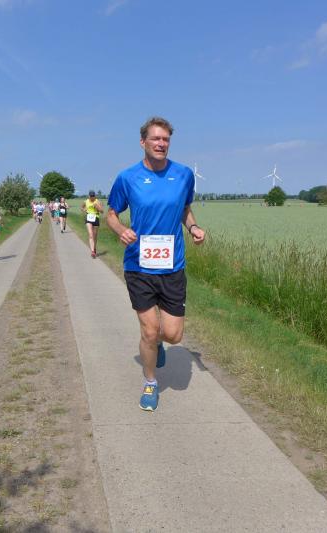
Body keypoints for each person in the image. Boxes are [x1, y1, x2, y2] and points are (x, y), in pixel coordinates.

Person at [106, 116, 206, 411]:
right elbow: (111, 214)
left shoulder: (184, 174)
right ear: (143, 142)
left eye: (166, 140)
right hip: (139, 265)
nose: (161, 144)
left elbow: (185, 208)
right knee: (149, 330)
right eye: (156, 139)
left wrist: (193, 227)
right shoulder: (127, 177)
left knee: (173, 334)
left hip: (173, 266)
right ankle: (150, 382)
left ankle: (158, 343)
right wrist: (120, 230)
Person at [81, 190, 103, 258]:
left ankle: (94, 248)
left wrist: (97, 207)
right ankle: (92, 251)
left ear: (95, 196)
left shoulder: (98, 201)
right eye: (91, 196)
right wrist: (84, 209)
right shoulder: (86, 201)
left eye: (93, 196)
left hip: (96, 218)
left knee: (95, 235)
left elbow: (102, 211)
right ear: (89, 196)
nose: (92, 197)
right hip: (88, 218)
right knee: (91, 235)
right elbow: (82, 208)